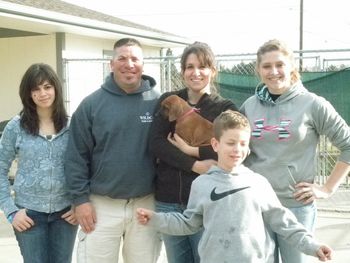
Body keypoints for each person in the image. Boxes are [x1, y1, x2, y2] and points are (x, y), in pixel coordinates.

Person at [137, 110, 333, 263]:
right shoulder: (201, 184)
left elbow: (284, 222)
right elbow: (189, 223)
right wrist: (156, 219)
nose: (237, 149)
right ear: (215, 144)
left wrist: (313, 245)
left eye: (242, 144)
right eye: (230, 143)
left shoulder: (258, 183)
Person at [240, 39, 350, 263]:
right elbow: (237, 150)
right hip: (256, 206)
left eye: (280, 64)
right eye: (267, 66)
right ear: (258, 70)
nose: (274, 72)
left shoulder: (313, 104)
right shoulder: (249, 106)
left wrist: (327, 188)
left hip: (295, 208)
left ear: (291, 66)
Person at [64, 38, 161, 263]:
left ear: (143, 65)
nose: (129, 64)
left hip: (145, 204)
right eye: (122, 58)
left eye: (135, 59)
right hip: (100, 207)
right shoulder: (91, 105)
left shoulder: (157, 102)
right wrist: (80, 201)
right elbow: (76, 156)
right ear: (111, 64)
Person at [149, 41, 238, 263]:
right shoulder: (170, 101)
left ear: (213, 71)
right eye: (189, 67)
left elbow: (232, 150)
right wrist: (195, 165)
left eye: (202, 67)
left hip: (207, 203)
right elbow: (156, 143)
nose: (195, 73)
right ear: (182, 71)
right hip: (169, 201)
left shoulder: (224, 108)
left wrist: (193, 150)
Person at [0, 63, 78, 263]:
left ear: (56, 89)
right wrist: (11, 211)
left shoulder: (72, 126)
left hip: (65, 215)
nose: (42, 93)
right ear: (28, 94)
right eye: (35, 89)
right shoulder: (15, 127)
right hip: (28, 215)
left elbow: (87, 168)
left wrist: (80, 204)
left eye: (47, 87)